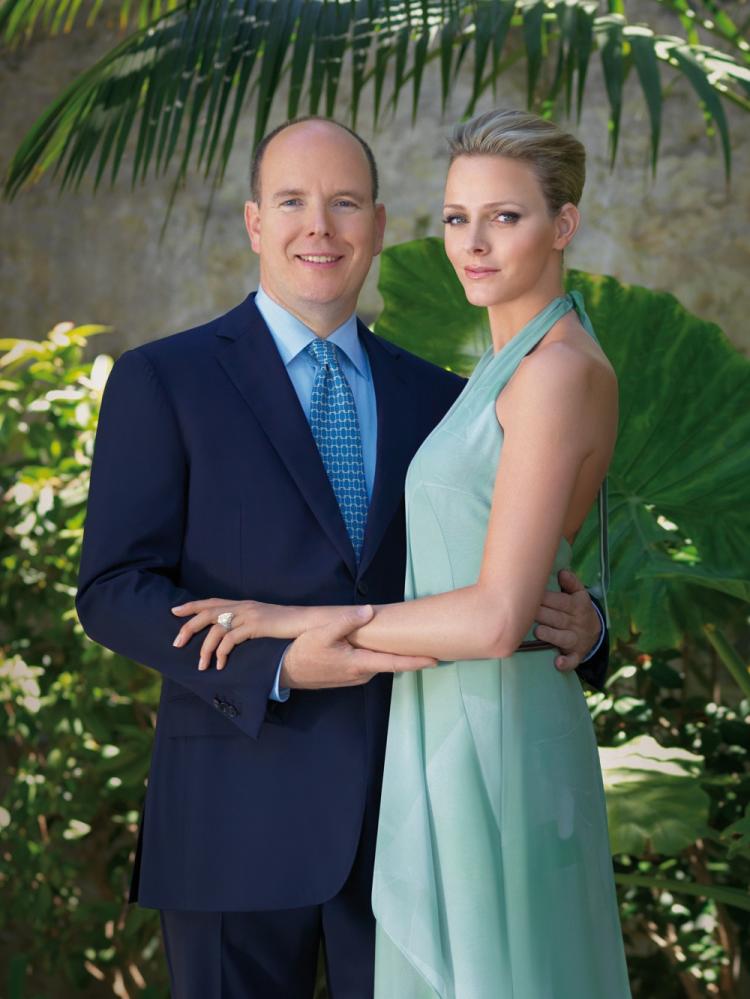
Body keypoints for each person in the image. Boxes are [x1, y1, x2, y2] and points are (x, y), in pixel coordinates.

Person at [76, 115, 609, 998]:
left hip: (418, 821)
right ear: (255, 223)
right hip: (232, 822)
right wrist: (278, 662)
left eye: (346, 203)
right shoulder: (163, 379)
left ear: (379, 223)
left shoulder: (445, 399)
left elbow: (498, 579)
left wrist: (588, 629)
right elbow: (112, 590)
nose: (318, 226)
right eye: (292, 202)